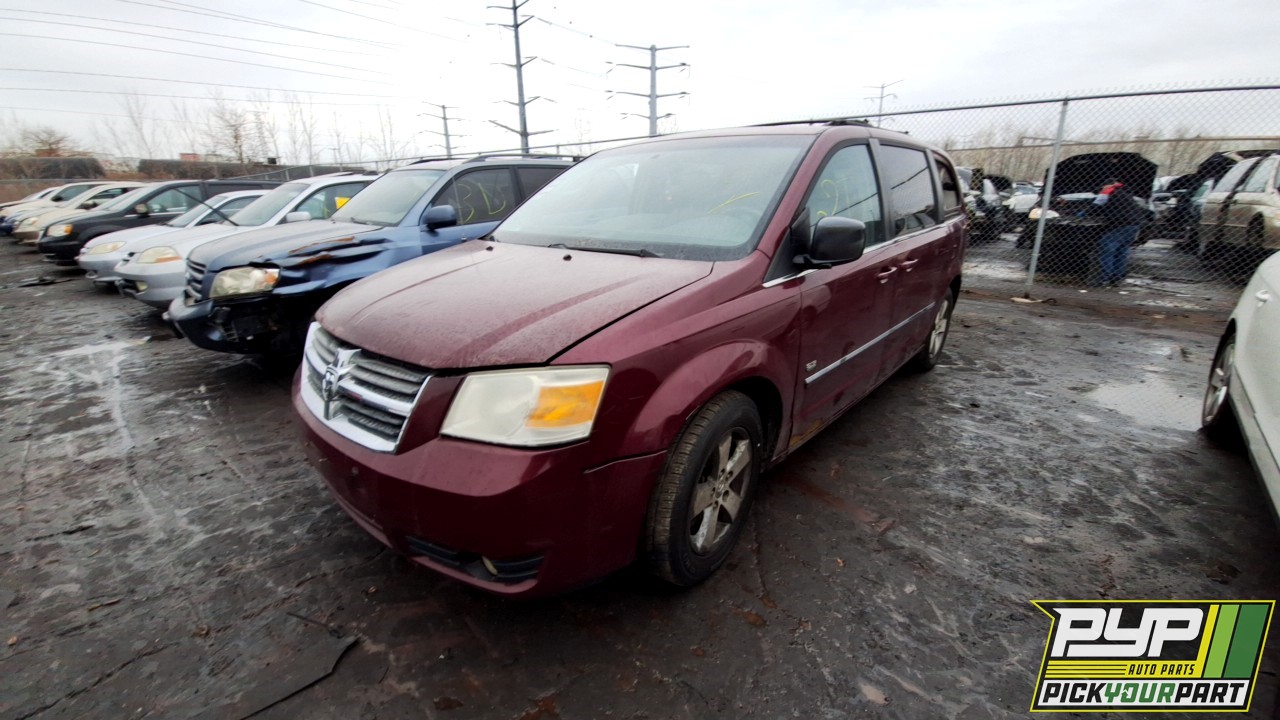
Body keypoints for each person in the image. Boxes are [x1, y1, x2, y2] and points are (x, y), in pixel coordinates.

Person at [1085, 178, 1146, 286]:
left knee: (1107, 247)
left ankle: (1103, 278)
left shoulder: (1108, 192)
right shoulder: (1125, 192)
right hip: (1135, 224)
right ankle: (1117, 277)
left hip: (1121, 224)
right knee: (1122, 249)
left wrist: (1083, 214)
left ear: (1107, 185)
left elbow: (1096, 206)